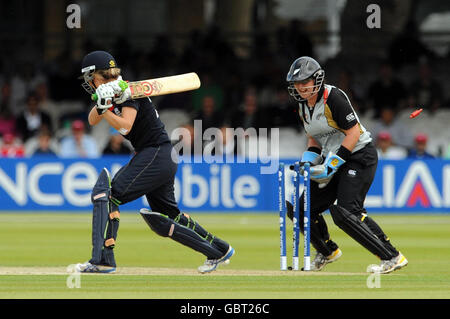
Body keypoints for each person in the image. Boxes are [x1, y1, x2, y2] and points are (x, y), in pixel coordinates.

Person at [75, 51, 234, 273]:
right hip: (161, 156)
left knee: (108, 194)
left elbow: (125, 126)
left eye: (90, 78)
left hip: (155, 153)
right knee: (170, 216)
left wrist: (106, 109)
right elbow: (93, 120)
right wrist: (102, 105)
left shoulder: (129, 92)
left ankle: (102, 260)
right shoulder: (113, 93)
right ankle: (219, 248)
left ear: (97, 75)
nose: (89, 84)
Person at [285, 56, 408, 274]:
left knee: (346, 210)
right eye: (297, 84)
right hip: (334, 158)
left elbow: (353, 133)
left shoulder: (334, 97)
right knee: (300, 209)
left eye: (305, 82)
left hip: (359, 156)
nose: (301, 88)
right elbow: (314, 139)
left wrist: (332, 165)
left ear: (317, 79)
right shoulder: (303, 106)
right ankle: (326, 251)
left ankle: (392, 257)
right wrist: (306, 162)